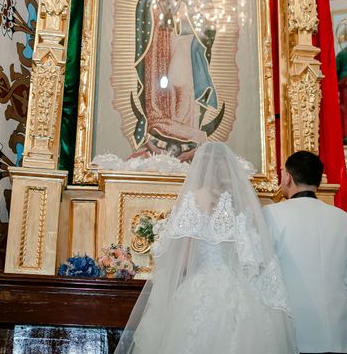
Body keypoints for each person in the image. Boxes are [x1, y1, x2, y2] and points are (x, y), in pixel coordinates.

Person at [115, 142, 297, 354]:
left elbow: (182, 260)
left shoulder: (195, 198)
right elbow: (252, 256)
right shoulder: (242, 203)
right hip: (236, 291)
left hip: (199, 289)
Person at [262, 151, 347, 354]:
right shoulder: (343, 219)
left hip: (295, 329)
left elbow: (263, 272)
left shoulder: (271, 214)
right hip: (338, 328)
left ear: (288, 177)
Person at [131, 0, 221, 161]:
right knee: (163, 91)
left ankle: (188, 133)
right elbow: (145, 14)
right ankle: (171, 130)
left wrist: (179, 9)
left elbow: (207, 23)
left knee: (182, 87)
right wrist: (161, 6)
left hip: (184, 45)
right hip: (159, 48)